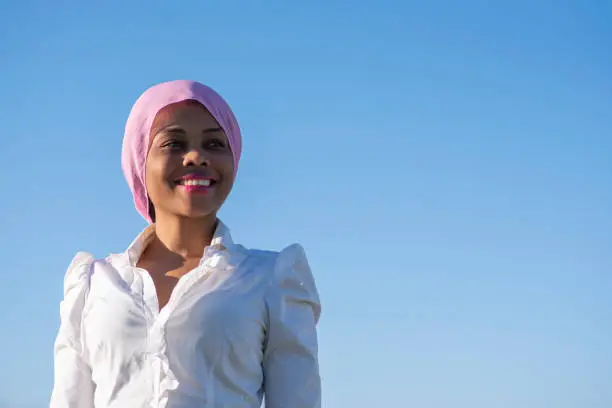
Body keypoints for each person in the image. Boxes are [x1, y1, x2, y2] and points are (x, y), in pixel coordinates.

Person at [50, 80, 322, 408]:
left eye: (215, 144)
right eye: (173, 143)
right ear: (139, 161)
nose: (196, 156)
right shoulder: (93, 285)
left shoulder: (273, 280)